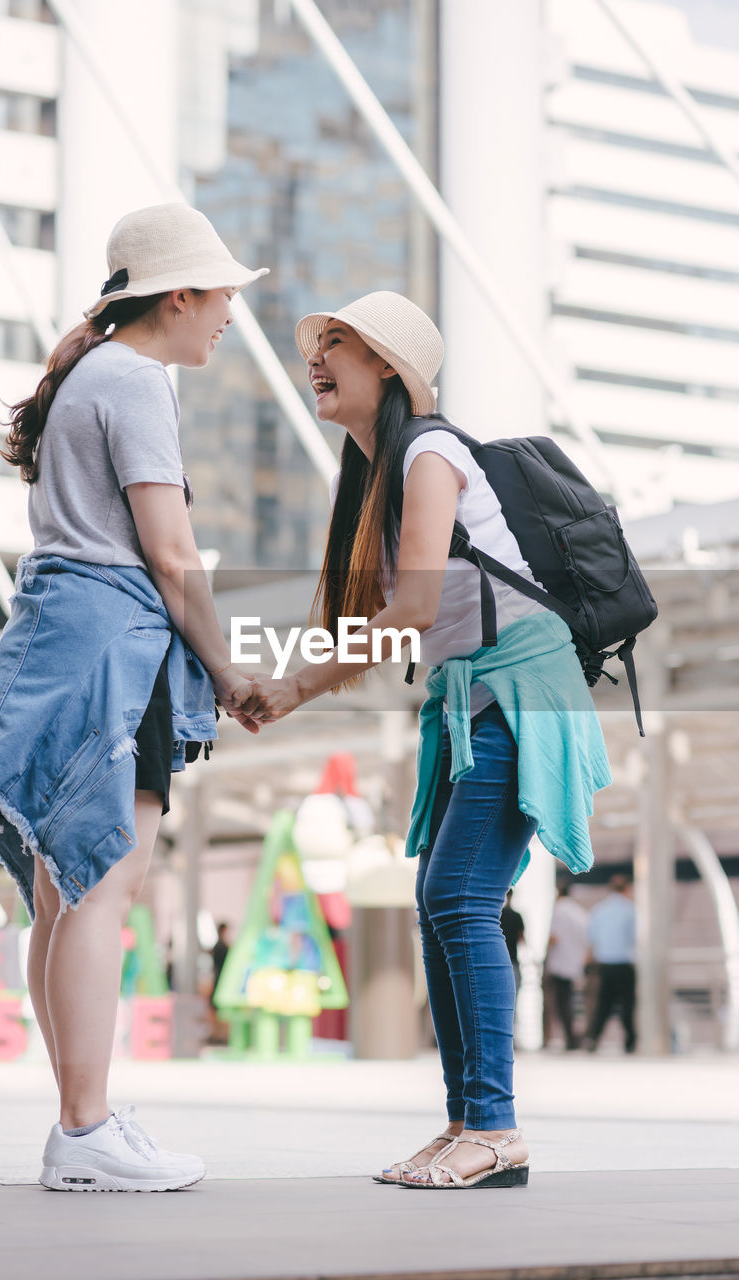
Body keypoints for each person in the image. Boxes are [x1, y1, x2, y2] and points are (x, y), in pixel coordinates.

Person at [239, 291, 612, 1190]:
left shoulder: (431, 450)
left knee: (458, 898)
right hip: (471, 699)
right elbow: (399, 618)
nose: (318, 358)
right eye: (317, 345)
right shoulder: (376, 474)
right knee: (441, 904)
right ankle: (465, 1124)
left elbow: (407, 610)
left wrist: (292, 686)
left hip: (524, 692)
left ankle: (496, 1128)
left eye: (340, 345)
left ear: (391, 370)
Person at [0, 202, 267, 1191]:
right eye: (220, 297)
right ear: (178, 295)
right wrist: (227, 672)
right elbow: (173, 557)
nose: (226, 315)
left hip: (56, 636)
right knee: (102, 886)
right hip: (110, 650)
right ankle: (86, 1131)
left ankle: (77, 1120)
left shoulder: (86, 373)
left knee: (63, 891)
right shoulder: (136, 380)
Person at [584, 874, 637, 1054]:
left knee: (603, 1005)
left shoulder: (599, 910)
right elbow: (635, 939)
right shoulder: (631, 910)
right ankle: (630, 1042)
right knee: (627, 1005)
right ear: (626, 889)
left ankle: (593, 1038)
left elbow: (592, 940)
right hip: (624, 964)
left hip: (604, 965)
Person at [544, 881, 589, 1050]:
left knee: (562, 1004)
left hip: (560, 964)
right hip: (574, 964)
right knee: (570, 1002)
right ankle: (574, 1037)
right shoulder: (578, 912)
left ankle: (571, 1038)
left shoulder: (560, 910)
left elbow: (554, 937)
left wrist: (545, 952)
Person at [500, 890, 525, 992]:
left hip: (500, 960)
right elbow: (522, 939)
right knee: (514, 992)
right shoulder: (517, 916)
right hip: (513, 959)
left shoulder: (498, 915)